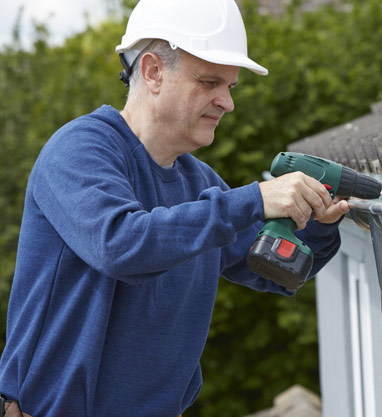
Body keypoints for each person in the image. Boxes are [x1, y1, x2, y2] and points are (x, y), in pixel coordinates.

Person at [0, 0, 349, 415]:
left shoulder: (198, 183)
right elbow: (121, 245)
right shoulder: (79, 150)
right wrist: (254, 199)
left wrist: (318, 221)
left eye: (230, 87)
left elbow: (278, 272)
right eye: (209, 82)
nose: (227, 102)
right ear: (152, 71)